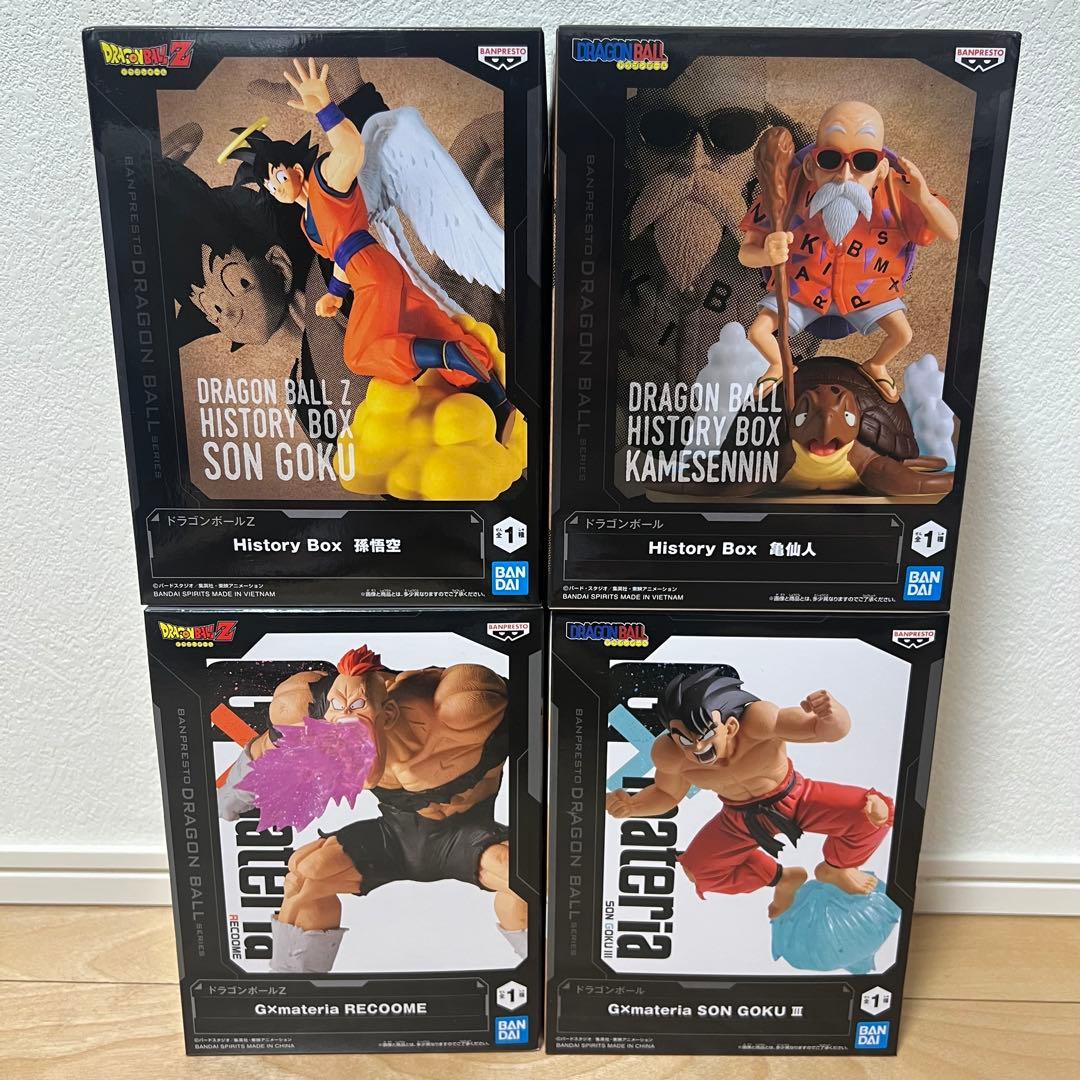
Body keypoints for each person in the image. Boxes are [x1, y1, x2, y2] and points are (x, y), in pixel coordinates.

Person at [228, 59, 514, 436]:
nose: (277, 187)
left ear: (295, 170)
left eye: (279, 176)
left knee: (360, 353)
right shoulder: (307, 220)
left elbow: (351, 151)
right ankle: (499, 400)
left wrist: (323, 108)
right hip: (377, 267)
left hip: (372, 274)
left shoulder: (326, 180)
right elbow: (341, 256)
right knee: (434, 325)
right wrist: (334, 292)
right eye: (269, 185)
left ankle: (447, 356)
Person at [219, 646, 527, 973]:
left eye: (358, 719)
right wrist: (226, 801)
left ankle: (546, 976)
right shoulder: (309, 711)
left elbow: (546, 721)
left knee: (525, 879)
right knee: (306, 875)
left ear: (388, 713)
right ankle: (293, 991)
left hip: (469, 835)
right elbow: (268, 749)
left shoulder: (458, 709)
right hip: (395, 837)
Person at [606, 667, 893, 919]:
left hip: (796, 797)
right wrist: (632, 806)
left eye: (704, 735)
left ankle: (837, 868)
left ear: (730, 726)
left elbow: (825, 731)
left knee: (875, 812)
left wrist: (831, 713)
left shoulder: (760, 722)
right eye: (683, 739)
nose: (696, 749)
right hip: (739, 818)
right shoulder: (672, 756)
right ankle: (782, 878)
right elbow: (667, 795)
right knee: (698, 870)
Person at [739, 100, 958, 402]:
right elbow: (745, 253)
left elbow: (951, 232)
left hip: (870, 291)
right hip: (801, 290)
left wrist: (924, 198)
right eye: (830, 159)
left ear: (880, 169)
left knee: (902, 335)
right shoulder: (786, 192)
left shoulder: (898, 193)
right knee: (758, 333)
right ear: (811, 165)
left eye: (863, 162)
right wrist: (766, 254)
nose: (844, 176)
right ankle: (778, 365)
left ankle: (876, 365)